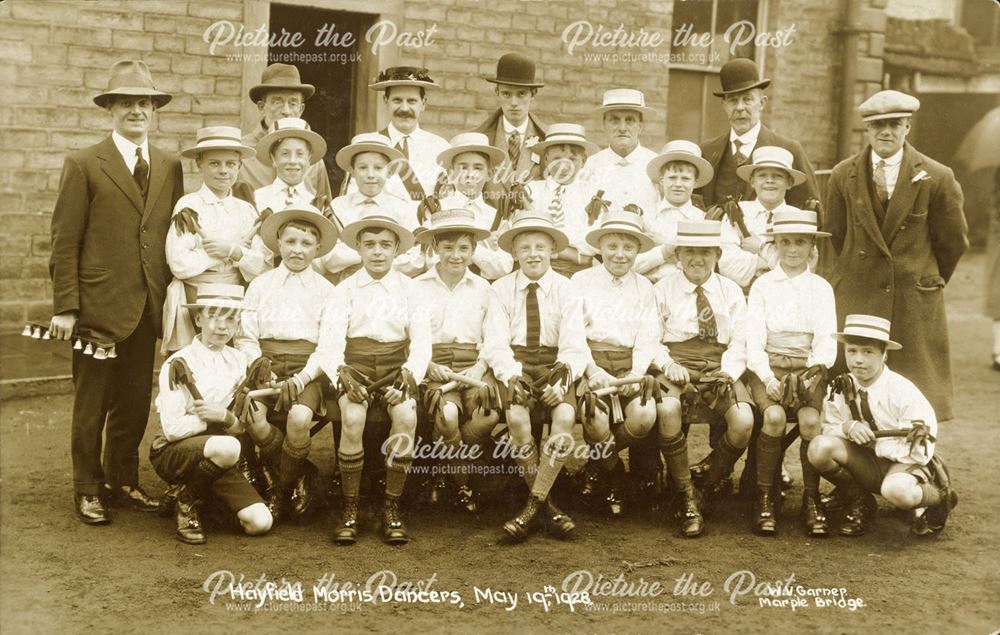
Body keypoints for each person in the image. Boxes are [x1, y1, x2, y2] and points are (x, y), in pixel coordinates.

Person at [49, 60, 184, 524]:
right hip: (97, 309)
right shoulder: (85, 163)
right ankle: (87, 488)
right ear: (110, 109)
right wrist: (67, 306)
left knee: (132, 402)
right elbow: (65, 239)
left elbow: (169, 236)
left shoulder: (169, 165)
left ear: (154, 110)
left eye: (143, 103)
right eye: (125, 102)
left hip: (148, 304)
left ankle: (121, 480)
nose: (136, 111)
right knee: (92, 402)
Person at [824, 90, 968, 420]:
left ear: (908, 127)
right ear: (867, 130)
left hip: (911, 300)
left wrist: (921, 274)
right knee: (855, 393)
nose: (885, 132)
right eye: (877, 126)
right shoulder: (842, 175)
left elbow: (953, 242)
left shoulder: (937, 176)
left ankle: (915, 460)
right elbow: (837, 233)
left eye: (894, 124)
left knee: (914, 391)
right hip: (859, 295)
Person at [483, 211, 591, 542]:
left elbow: (575, 345)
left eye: (540, 247)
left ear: (552, 251)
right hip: (516, 362)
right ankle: (548, 507)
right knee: (516, 418)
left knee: (565, 416)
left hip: (555, 364)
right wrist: (512, 376)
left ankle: (532, 509)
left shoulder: (566, 289)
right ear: (514, 253)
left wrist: (561, 382)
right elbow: (495, 344)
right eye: (525, 247)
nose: (533, 254)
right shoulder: (500, 289)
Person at [326, 207, 431, 545]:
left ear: (397, 249)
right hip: (355, 366)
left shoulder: (411, 289)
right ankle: (351, 508)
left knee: (405, 416)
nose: (377, 251)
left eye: (385, 245)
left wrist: (408, 378)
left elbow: (422, 345)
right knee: (353, 418)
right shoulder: (344, 289)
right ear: (358, 248)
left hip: (395, 367)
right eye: (369, 244)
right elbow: (329, 343)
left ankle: (391, 507)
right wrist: (342, 375)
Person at [235, 206, 339, 522]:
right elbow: (245, 335)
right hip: (265, 365)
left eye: (306, 244)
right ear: (278, 243)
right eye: (290, 241)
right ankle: (302, 470)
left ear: (317, 249)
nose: (297, 250)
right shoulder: (260, 285)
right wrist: (259, 365)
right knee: (252, 418)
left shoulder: (327, 290)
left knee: (298, 418)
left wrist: (304, 377)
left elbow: (330, 345)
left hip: (307, 369)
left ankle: (281, 489)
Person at [808, 314, 957, 537]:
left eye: (868, 352)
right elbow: (829, 428)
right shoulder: (841, 386)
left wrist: (875, 444)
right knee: (819, 448)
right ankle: (860, 500)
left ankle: (939, 497)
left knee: (896, 491)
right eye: (852, 351)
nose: (858, 360)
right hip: (868, 460)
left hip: (904, 461)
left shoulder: (901, 391)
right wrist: (848, 427)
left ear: (884, 355)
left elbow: (921, 445)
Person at [652, 220, 754, 536]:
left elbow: (741, 339)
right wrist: (668, 365)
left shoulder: (731, 290)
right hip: (676, 362)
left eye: (705, 252)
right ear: (678, 254)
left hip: (718, 365)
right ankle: (685, 496)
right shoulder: (662, 289)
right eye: (690, 251)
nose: (698, 259)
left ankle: (704, 484)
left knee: (744, 420)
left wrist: (729, 371)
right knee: (668, 411)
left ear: (716, 254)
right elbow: (649, 339)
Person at [151, 283, 273, 544]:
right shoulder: (178, 362)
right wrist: (210, 419)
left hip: (222, 457)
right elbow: (172, 429)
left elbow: (239, 426)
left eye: (230, 318)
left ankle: (195, 491)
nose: (222, 326)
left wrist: (226, 417)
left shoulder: (240, 361)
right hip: (174, 452)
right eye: (213, 316)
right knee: (227, 445)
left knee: (260, 523)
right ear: (198, 318)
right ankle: (187, 502)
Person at [745, 209, 836, 537]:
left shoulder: (821, 288)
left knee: (811, 423)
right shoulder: (762, 286)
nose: (793, 249)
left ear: (812, 246)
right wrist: (768, 378)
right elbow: (752, 340)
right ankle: (765, 496)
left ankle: (811, 498)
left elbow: (827, 340)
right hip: (768, 367)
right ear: (775, 245)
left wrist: (813, 371)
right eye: (786, 242)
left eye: (801, 242)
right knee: (774, 419)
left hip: (807, 369)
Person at [569, 211, 659, 516]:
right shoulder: (580, 281)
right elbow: (573, 334)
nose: (620, 254)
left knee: (645, 416)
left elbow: (649, 335)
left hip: (629, 366)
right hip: (591, 364)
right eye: (612, 246)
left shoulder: (645, 287)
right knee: (594, 419)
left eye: (628, 247)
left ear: (637, 250)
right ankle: (616, 474)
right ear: (600, 247)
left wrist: (636, 374)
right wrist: (592, 371)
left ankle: (596, 466)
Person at [412, 208, 500, 513]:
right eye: (448, 248)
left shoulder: (485, 289)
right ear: (435, 248)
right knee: (447, 415)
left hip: (475, 366)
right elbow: (412, 336)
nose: (456, 256)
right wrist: (427, 365)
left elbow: (493, 337)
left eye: (464, 248)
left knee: (488, 415)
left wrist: (480, 366)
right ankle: (462, 482)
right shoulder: (417, 287)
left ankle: (444, 465)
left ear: (474, 250)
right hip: (436, 366)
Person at [161, 126, 261, 354]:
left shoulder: (246, 211)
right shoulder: (189, 206)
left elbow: (260, 267)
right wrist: (213, 254)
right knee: (195, 362)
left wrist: (234, 252)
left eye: (230, 164)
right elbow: (178, 263)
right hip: (195, 300)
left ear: (239, 166)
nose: (223, 170)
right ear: (199, 164)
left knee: (231, 364)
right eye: (215, 163)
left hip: (235, 299)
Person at [696, 58, 818, 209]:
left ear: (762, 103)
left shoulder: (789, 150)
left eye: (747, 100)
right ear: (724, 105)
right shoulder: (707, 152)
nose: (740, 108)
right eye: (733, 101)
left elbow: (810, 213)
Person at [316, 132, 423, 283]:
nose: (370, 175)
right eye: (363, 168)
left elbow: (416, 258)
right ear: (352, 171)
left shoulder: (403, 208)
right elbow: (328, 256)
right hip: (347, 287)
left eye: (378, 168)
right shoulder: (338, 207)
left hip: (391, 286)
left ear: (390, 172)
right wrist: (381, 256)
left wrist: (372, 266)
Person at [719, 146, 811, 290]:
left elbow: (802, 267)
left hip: (788, 294)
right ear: (752, 181)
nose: (769, 181)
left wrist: (761, 247)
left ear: (789, 183)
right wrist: (774, 261)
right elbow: (728, 265)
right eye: (762, 175)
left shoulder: (798, 217)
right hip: (742, 296)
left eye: (778, 176)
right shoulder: (738, 212)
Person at [238, 63, 332, 201]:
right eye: (277, 102)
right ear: (262, 107)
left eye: (293, 103)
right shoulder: (243, 152)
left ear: (301, 109)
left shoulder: (312, 154)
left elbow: (324, 208)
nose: (286, 111)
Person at [433, 132, 513, 281]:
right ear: (451, 173)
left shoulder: (496, 216)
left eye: (478, 168)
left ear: (489, 174)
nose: (470, 174)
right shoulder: (438, 210)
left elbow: (503, 267)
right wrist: (483, 252)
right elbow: (429, 260)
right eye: (463, 167)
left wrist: (468, 249)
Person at [526, 123, 601, 277]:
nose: (563, 167)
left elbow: (592, 243)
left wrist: (551, 248)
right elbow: (527, 233)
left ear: (583, 161)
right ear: (546, 159)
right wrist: (572, 253)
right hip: (537, 268)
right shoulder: (532, 191)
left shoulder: (591, 196)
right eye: (557, 159)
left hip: (577, 272)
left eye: (572, 159)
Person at [636, 139, 714, 283]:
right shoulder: (646, 217)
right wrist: (665, 251)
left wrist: (662, 246)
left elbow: (707, 267)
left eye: (685, 179)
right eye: (672, 178)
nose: (678, 184)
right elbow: (632, 264)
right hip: (648, 289)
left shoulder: (703, 220)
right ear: (661, 180)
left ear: (695, 183)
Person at [367, 66, 450, 201]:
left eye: (412, 101)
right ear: (385, 101)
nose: (404, 108)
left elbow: (450, 200)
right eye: (397, 100)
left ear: (423, 103)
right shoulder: (369, 145)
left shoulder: (441, 148)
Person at [579, 89, 659, 215]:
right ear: (604, 125)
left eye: (630, 120)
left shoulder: (655, 164)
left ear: (640, 126)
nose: (622, 128)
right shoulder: (592, 164)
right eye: (615, 120)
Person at [475, 53, 549, 185]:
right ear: (497, 92)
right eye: (506, 94)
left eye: (521, 93)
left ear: (533, 94)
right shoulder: (479, 139)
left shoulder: (548, 141)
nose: (514, 102)